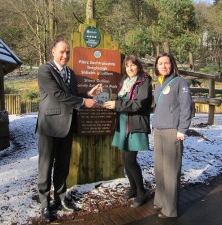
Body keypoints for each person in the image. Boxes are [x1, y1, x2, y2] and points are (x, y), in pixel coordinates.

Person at [35, 39, 102, 222]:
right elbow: (57, 94)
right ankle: (44, 204)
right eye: (62, 52)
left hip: (67, 126)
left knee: (62, 165)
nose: (65, 55)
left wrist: (88, 94)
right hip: (49, 126)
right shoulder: (45, 70)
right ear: (53, 51)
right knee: (45, 166)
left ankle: (61, 197)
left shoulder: (71, 73)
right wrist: (82, 102)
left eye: (68, 53)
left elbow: (71, 95)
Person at [103, 55, 152, 208]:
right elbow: (122, 100)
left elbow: (139, 104)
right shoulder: (125, 83)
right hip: (123, 123)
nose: (130, 68)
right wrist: (111, 103)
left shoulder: (144, 81)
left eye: (133, 65)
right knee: (125, 158)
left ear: (138, 66)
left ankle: (141, 192)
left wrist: (117, 105)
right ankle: (133, 188)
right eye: (127, 66)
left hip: (135, 124)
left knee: (130, 159)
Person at [152, 52, 192, 218]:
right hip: (158, 130)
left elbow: (186, 106)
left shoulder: (180, 82)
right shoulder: (159, 84)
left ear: (172, 64)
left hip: (172, 131)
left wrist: (182, 129)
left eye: (166, 63)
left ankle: (170, 210)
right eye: (160, 63)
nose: (163, 66)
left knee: (170, 171)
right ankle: (160, 202)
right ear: (156, 66)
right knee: (159, 170)